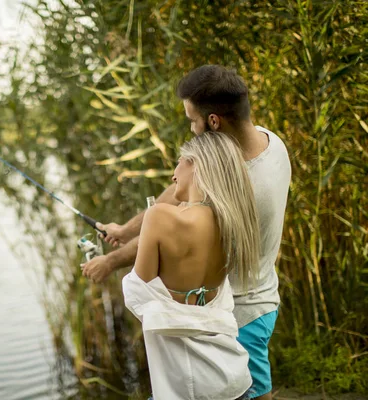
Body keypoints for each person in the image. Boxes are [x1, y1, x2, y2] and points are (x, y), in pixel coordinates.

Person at [82, 65, 292, 399]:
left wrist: (111, 261)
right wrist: (126, 228)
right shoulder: (269, 141)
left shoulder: (242, 188)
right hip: (255, 300)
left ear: (213, 122)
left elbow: (173, 234)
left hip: (239, 315)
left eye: (192, 121)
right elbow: (181, 189)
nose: (191, 130)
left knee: (249, 394)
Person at [123, 131, 257, 399]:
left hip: (186, 387)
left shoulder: (159, 215)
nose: (173, 175)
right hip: (232, 378)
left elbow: (137, 295)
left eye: (180, 161)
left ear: (196, 163)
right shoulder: (232, 219)